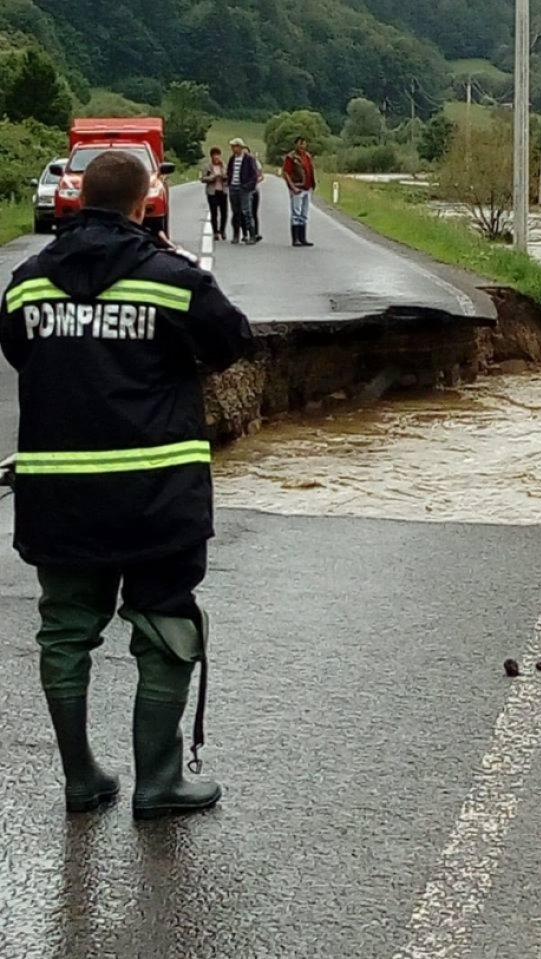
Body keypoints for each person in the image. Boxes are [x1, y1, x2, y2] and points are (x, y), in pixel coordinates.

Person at [0, 151, 255, 820]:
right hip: (155, 494)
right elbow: (232, 340)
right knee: (166, 623)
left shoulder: (27, 284)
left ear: (76, 200)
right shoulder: (171, 279)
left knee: (64, 631)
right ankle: (159, 782)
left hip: (59, 498)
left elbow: (20, 351)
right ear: (144, 204)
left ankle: (81, 778)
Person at [282, 136, 316, 248]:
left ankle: (303, 238)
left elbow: (310, 171)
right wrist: (292, 187)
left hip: (307, 188)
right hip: (297, 188)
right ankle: (295, 239)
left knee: (304, 214)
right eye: (300, 144)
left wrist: (312, 185)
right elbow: (286, 173)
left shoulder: (307, 156)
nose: (302, 146)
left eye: (304, 144)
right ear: (295, 145)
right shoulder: (291, 157)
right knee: (296, 213)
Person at [227, 137, 259, 245]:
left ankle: (252, 235)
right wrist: (230, 183)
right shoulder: (232, 159)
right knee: (236, 212)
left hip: (244, 189)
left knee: (247, 212)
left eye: (235, 146)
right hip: (233, 187)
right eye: (232, 147)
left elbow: (254, 175)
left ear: (240, 147)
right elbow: (229, 172)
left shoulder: (249, 159)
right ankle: (236, 235)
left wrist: (247, 186)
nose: (233, 149)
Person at [200, 147, 228, 240]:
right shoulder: (207, 167)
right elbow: (203, 179)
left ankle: (222, 230)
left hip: (223, 191)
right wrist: (212, 177)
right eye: (215, 157)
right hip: (212, 192)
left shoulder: (224, 165)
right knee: (214, 212)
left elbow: (229, 176)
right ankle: (215, 232)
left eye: (218, 157)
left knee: (224, 212)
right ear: (211, 157)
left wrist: (223, 176)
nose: (217, 159)